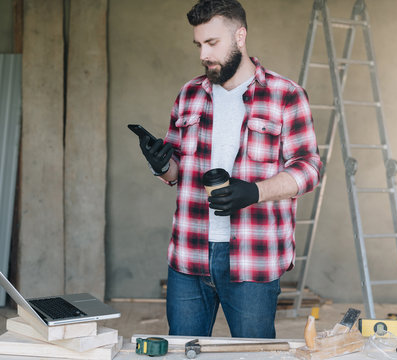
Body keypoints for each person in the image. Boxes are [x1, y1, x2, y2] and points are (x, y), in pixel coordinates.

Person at [136, 0, 322, 338]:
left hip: (254, 256)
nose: (204, 54)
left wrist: (254, 192)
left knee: (253, 354)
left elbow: (309, 169)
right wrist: (161, 163)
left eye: (212, 43)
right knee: (183, 350)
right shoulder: (189, 95)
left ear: (240, 36)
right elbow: (176, 174)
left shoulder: (286, 95)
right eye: (199, 45)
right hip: (189, 251)